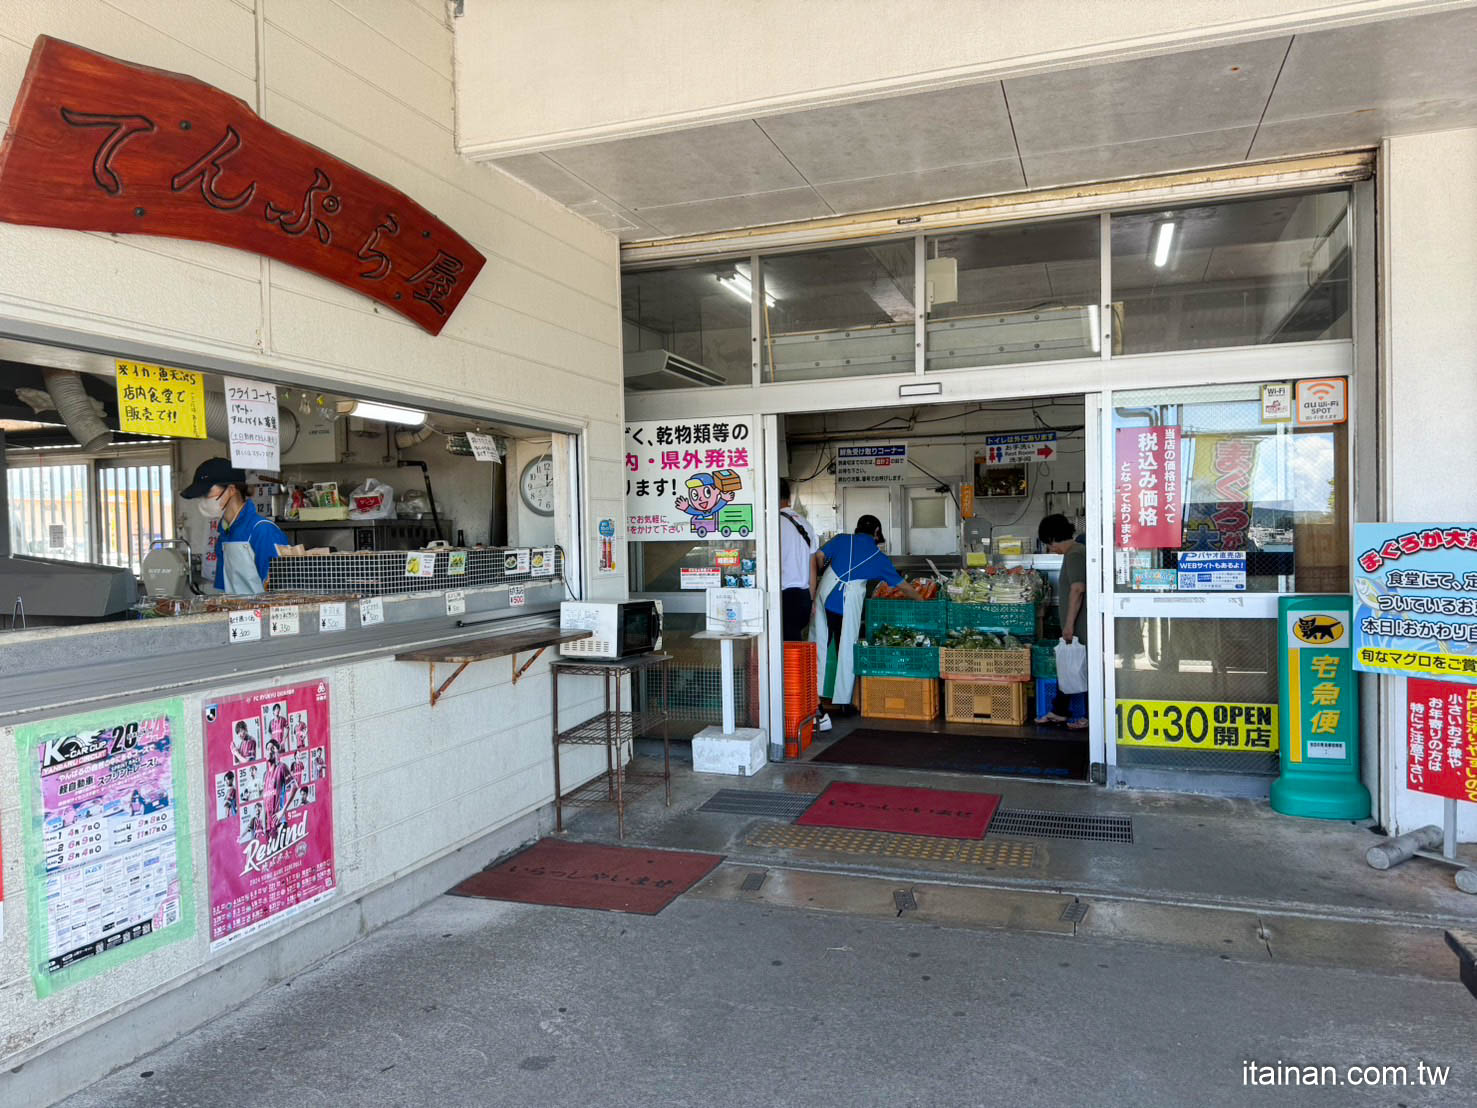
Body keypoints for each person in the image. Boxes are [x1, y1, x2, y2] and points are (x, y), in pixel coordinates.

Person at [812, 515, 923, 713]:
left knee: (818, 645)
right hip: (845, 604)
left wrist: (820, 572)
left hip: (824, 596)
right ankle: (843, 702)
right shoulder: (878, 557)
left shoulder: (841, 539)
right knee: (845, 649)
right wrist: (921, 600)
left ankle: (814, 701)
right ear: (877, 533)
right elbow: (903, 586)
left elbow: (818, 556)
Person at [180, 457, 290, 595]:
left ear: (231, 489)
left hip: (264, 614)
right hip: (236, 614)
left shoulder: (263, 531)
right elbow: (224, 591)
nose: (202, 500)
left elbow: (282, 594)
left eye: (207, 492)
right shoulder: (223, 535)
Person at [1036, 513, 1088, 730]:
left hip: (1080, 624)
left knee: (1084, 667)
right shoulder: (1075, 552)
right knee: (1068, 664)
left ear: (1052, 538)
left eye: (1049, 544)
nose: (1051, 549)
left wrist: (1068, 625)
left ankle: (1090, 717)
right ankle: (1059, 711)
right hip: (1077, 622)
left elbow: (1078, 588)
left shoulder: (1075, 553)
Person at [778, 478, 821, 641]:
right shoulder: (805, 524)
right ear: (788, 497)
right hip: (802, 597)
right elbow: (812, 567)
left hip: (783, 597)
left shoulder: (773, 524)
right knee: (794, 647)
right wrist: (811, 599)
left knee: (782, 652)